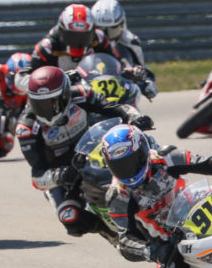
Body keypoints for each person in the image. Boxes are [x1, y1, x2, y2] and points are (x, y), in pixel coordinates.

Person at [14, 65, 154, 237]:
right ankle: (112, 235)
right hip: (64, 173)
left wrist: (135, 117)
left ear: (64, 96)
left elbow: (116, 107)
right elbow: (37, 176)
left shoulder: (81, 94)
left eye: (51, 102)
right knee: (70, 218)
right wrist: (61, 175)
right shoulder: (27, 128)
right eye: (38, 104)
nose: (45, 109)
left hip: (93, 149)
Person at [100, 123, 212, 263]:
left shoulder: (165, 157)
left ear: (143, 151)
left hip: (201, 210)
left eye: (131, 161)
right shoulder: (118, 196)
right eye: (118, 165)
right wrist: (150, 251)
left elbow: (208, 162)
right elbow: (125, 240)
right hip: (172, 245)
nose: (127, 170)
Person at [19, 3, 116, 76]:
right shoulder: (47, 47)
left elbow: (114, 66)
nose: (78, 42)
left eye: (84, 37)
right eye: (72, 36)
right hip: (58, 96)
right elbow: (25, 76)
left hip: (92, 91)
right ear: (62, 31)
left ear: (92, 31)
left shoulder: (100, 39)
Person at [90, 0, 158, 99]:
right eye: (100, 30)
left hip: (122, 95)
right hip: (90, 94)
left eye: (112, 31)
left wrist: (147, 82)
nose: (105, 37)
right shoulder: (85, 43)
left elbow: (141, 68)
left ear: (122, 26)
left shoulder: (129, 43)